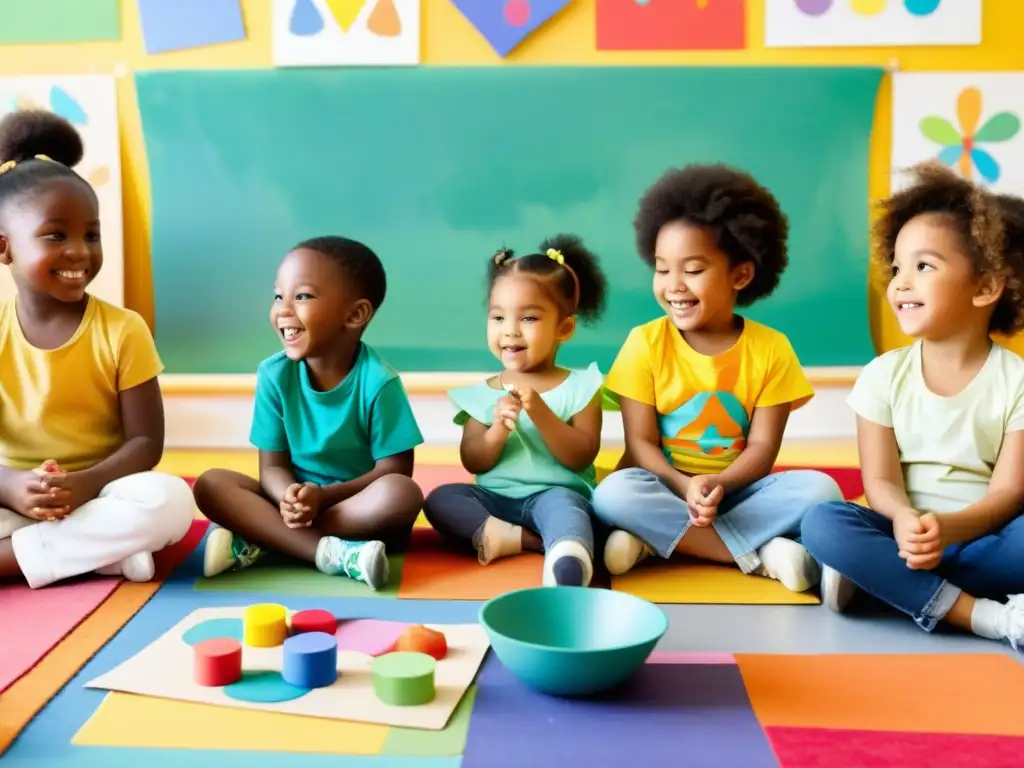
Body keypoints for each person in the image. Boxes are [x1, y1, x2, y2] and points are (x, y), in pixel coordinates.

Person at [801, 162, 1024, 649]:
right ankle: (985, 615)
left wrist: (948, 530)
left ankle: (888, 585)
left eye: (923, 267)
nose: (900, 283)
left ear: (986, 286)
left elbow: (1009, 493)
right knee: (823, 522)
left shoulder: (1017, 381)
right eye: (897, 267)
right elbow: (879, 480)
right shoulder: (883, 375)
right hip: (899, 531)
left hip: (983, 533)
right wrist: (905, 520)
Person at [592, 164, 842, 592]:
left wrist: (719, 484)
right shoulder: (644, 343)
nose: (673, 286)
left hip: (738, 493)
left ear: (740, 275)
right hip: (662, 487)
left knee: (824, 491)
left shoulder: (772, 348)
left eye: (692, 269)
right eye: (661, 268)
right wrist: (683, 484)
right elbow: (641, 444)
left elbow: (763, 448)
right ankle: (761, 556)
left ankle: (655, 543)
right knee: (611, 495)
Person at [0, 110, 194, 589]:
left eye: (91, 234)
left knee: (171, 501)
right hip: (16, 499)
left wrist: (83, 484)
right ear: (4, 248)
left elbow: (146, 445)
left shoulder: (123, 330)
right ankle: (98, 556)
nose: (80, 252)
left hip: (104, 492)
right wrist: (10, 486)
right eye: (55, 235)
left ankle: (17, 561)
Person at [193, 237, 424, 590]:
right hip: (292, 505)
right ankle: (336, 555)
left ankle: (266, 542)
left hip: (352, 510)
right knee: (211, 484)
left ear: (356, 314)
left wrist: (322, 499)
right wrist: (289, 497)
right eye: (277, 295)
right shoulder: (273, 375)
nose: (283, 309)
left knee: (402, 493)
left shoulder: (379, 382)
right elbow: (271, 467)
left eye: (301, 296)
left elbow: (393, 471)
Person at [422, 234, 608, 587]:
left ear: (564, 328)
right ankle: (524, 540)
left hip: (555, 496)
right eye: (498, 317)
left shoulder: (582, 386)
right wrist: (496, 431)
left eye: (528, 319)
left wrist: (539, 411)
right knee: (441, 499)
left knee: (569, 511)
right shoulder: (482, 394)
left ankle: (567, 559)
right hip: (494, 499)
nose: (509, 331)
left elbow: (581, 455)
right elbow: (474, 461)